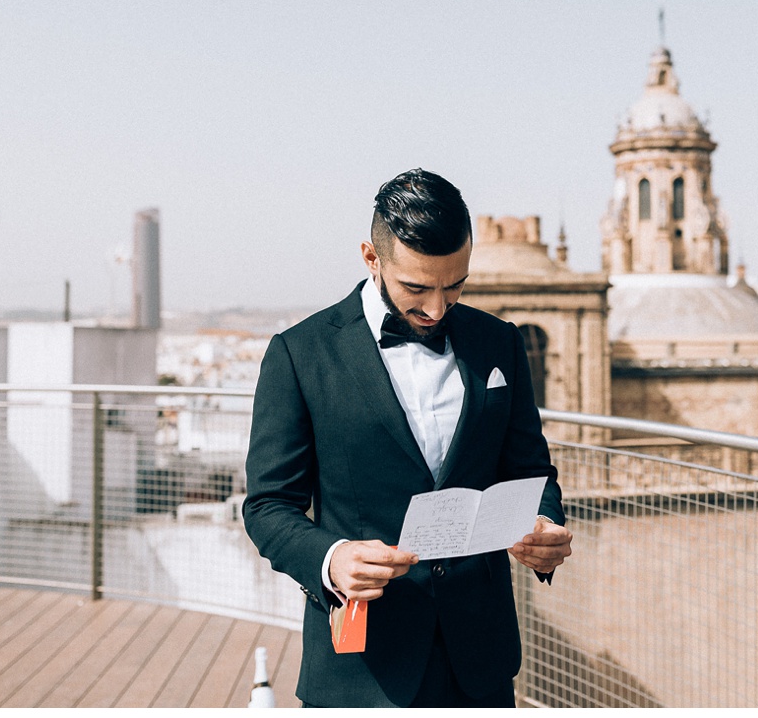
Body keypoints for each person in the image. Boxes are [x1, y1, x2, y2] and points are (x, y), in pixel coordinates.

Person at [243, 168, 573, 708]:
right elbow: (267, 507)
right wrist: (332, 559)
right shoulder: (299, 355)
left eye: (455, 285)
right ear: (372, 259)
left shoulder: (499, 342)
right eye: (416, 288)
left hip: (480, 662)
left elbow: (530, 471)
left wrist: (546, 527)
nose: (438, 308)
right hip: (363, 668)